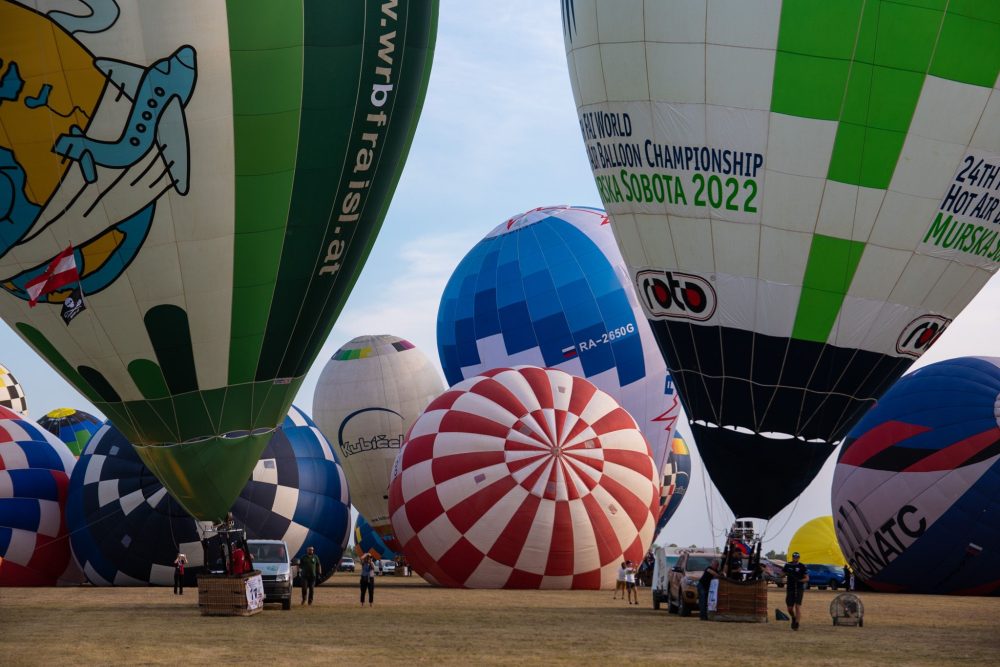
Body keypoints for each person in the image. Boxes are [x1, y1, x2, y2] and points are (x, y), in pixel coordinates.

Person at [782, 552, 809, 630]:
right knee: (790, 608)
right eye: (794, 557)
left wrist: (800, 580)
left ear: (799, 558)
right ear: (792, 557)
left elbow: (807, 578)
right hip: (790, 588)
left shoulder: (802, 566)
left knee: (797, 606)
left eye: (797, 557)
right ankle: (793, 617)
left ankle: (796, 624)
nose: (795, 559)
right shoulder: (788, 565)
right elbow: (781, 574)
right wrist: (784, 573)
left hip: (799, 588)